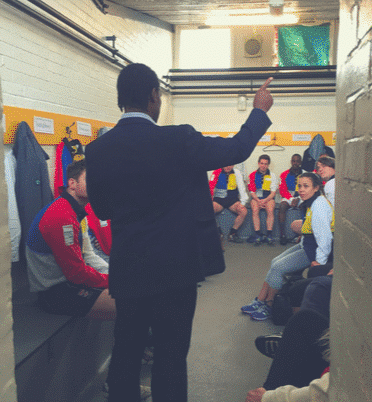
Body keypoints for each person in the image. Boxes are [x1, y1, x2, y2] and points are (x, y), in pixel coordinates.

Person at [86, 63, 274, 401]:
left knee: (126, 351)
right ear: (154, 96)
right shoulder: (178, 139)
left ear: (120, 100)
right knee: (171, 358)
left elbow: (101, 210)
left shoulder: (97, 150)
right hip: (176, 269)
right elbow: (236, 149)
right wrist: (259, 111)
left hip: (129, 268)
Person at [25, 159, 116, 321]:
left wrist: (114, 275)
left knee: (134, 292)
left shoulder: (77, 211)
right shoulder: (61, 215)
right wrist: (114, 280)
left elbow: (88, 255)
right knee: (131, 302)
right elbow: (76, 274)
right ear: (72, 183)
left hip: (71, 284)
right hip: (55, 293)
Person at [240, 173, 332, 321]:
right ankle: (260, 300)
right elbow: (312, 228)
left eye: (306, 186)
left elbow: (325, 238)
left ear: (316, 188)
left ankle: (269, 306)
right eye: (300, 186)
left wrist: (319, 263)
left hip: (313, 252)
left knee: (278, 268)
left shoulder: (319, 205)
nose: (301, 189)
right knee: (275, 262)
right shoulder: (311, 202)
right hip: (307, 244)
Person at [211, 164, 249, 242]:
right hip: (219, 200)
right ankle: (218, 232)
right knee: (209, 210)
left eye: (230, 165)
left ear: (233, 165)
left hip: (232, 200)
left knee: (243, 211)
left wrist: (243, 202)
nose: (228, 167)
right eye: (225, 165)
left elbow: (242, 187)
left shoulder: (237, 172)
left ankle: (232, 233)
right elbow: (210, 187)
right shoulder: (216, 172)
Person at [247, 154, 279, 245]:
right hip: (256, 198)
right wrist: (258, 200)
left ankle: (269, 235)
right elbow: (252, 191)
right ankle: (258, 235)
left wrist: (264, 200)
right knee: (255, 209)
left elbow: (273, 193)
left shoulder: (272, 175)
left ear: (268, 165)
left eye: (265, 164)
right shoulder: (252, 175)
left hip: (268, 198)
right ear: (258, 163)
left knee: (270, 209)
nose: (263, 166)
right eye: (262, 163)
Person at [276, 154, 303, 245]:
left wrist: (298, 198)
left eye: (298, 161)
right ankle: (282, 235)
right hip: (288, 196)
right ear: (291, 162)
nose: (295, 163)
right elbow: (282, 190)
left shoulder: (305, 174)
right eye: (294, 161)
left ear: (300, 162)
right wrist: (292, 199)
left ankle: (303, 235)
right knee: (282, 206)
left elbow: (308, 189)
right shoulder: (284, 174)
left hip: (301, 196)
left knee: (306, 206)